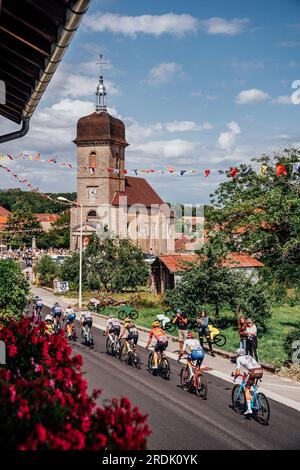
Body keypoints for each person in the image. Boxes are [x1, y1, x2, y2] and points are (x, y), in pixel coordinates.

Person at [232, 348, 263, 416]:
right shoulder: (249, 356)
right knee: (253, 383)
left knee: (247, 389)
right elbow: (251, 365)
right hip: (260, 370)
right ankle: (256, 396)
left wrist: (234, 377)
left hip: (253, 372)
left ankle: (249, 409)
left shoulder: (238, 359)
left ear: (237, 354)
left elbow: (237, 372)